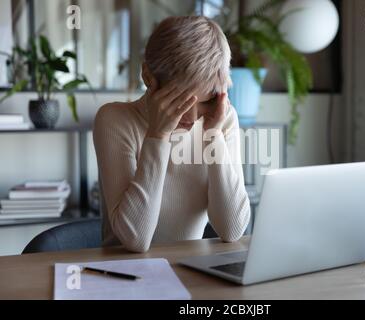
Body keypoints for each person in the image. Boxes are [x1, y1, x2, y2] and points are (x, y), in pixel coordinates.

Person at [93, 16, 250, 253]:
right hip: (125, 274)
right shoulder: (115, 120)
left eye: (206, 101)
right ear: (148, 77)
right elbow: (136, 240)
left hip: (191, 273)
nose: (193, 117)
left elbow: (232, 229)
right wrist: (158, 135)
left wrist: (214, 135)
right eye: (182, 102)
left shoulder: (220, 119)